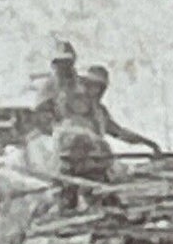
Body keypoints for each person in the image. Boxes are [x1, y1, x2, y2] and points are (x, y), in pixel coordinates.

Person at [53, 65, 161, 212]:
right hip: (74, 166)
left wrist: (148, 143)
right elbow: (69, 132)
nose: (94, 91)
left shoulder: (100, 112)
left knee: (109, 202)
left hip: (96, 167)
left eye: (98, 87)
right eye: (90, 85)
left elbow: (119, 132)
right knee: (68, 204)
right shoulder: (74, 106)